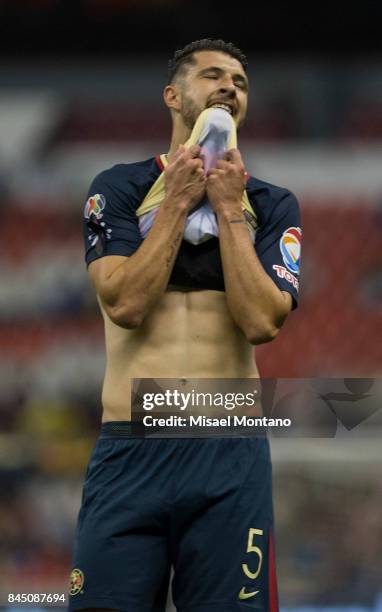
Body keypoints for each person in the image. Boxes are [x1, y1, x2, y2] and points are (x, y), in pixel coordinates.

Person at [68, 39, 301, 612]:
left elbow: (262, 323)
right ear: (173, 96)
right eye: (213, 76)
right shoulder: (117, 188)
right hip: (131, 448)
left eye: (240, 82)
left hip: (228, 453)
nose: (229, 87)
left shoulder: (271, 205)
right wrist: (176, 202)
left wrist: (227, 210)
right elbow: (125, 305)